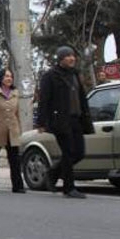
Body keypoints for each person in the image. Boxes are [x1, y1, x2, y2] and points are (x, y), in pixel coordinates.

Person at [36, 46, 95, 199]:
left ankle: (52, 173)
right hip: (60, 120)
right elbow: (44, 100)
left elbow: (82, 97)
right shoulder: (50, 76)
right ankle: (69, 188)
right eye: (68, 56)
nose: (72, 58)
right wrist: (41, 122)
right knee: (68, 152)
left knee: (79, 153)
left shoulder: (75, 74)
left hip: (76, 119)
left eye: (73, 55)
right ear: (61, 58)